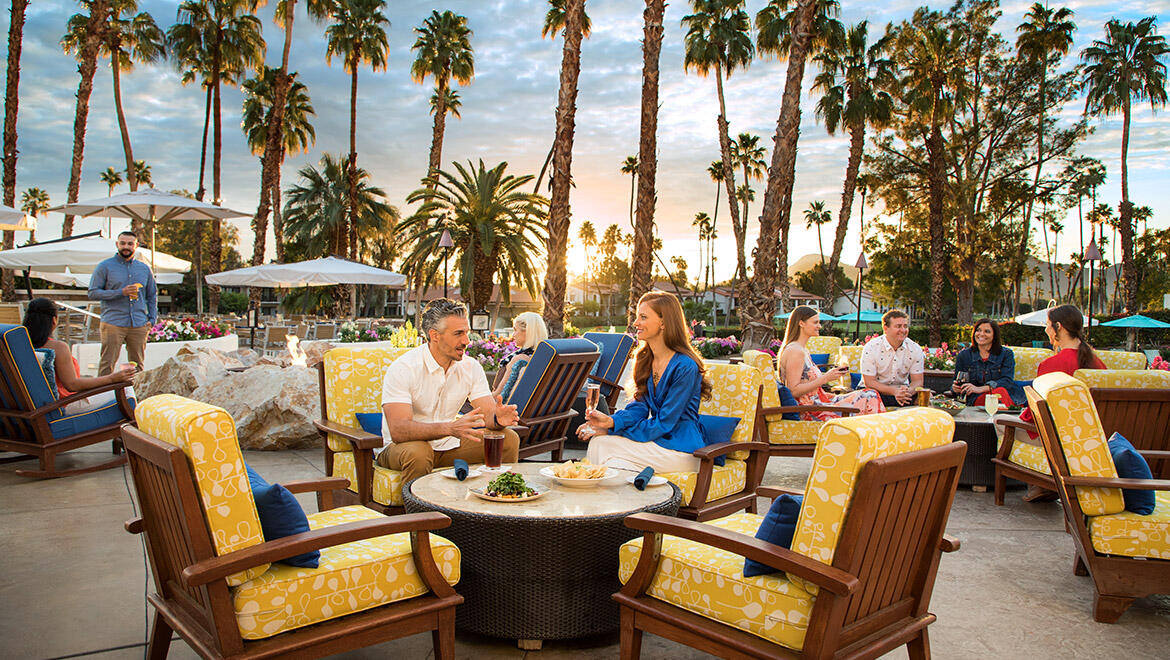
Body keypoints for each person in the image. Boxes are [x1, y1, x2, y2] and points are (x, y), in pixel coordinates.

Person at [376, 298, 522, 484]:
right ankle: (418, 512)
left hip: (448, 446)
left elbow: (488, 415)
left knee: (508, 439)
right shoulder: (404, 368)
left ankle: (496, 504)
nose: (467, 341)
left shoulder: (470, 367)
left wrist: (497, 419)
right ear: (435, 335)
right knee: (419, 453)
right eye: (458, 334)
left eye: (467, 333)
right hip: (402, 448)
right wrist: (450, 428)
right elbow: (399, 430)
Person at [576, 291, 710, 473]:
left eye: (643, 317)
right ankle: (621, 497)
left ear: (664, 322)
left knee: (602, 445)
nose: (635, 323)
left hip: (682, 450)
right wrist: (610, 421)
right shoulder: (645, 359)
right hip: (656, 442)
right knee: (612, 462)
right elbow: (639, 407)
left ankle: (596, 494)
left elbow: (664, 423)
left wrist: (611, 429)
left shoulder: (685, 367)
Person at [1016, 304, 1106, 502]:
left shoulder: (1051, 365)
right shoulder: (1097, 364)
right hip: (1092, 442)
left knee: (1000, 424)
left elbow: (1036, 414)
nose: (1046, 330)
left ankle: (1041, 482)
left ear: (1059, 327)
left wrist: (1019, 416)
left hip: (1058, 441)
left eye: (1047, 325)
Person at [22, 298, 136, 415]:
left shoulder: (19, 346)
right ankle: (132, 430)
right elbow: (72, 385)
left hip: (34, 409)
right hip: (65, 405)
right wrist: (112, 379)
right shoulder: (57, 348)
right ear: (54, 320)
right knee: (126, 389)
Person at [778, 306, 884, 419]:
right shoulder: (795, 351)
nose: (819, 326)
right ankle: (877, 435)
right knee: (869, 396)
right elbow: (793, 390)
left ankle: (871, 434)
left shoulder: (802, 350)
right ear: (801, 323)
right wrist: (826, 378)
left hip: (819, 402)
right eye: (815, 322)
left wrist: (832, 383)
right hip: (810, 410)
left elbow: (808, 386)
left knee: (869, 394)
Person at [88, 231, 157, 376]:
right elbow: (93, 292)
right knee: (107, 364)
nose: (126, 246)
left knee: (137, 366)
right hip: (113, 322)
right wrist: (121, 292)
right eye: (123, 243)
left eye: (130, 244)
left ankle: (134, 395)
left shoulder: (144, 269)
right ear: (117, 244)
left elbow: (151, 295)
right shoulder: (104, 266)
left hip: (138, 323)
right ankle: (102, 397)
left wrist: (152, 319)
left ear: (136, 245)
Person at [859, 309, 925, 407]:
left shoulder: (915, 349)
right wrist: (894, 392)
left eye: (905, 326)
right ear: (885, 328)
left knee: (927, 396)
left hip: (903, 393)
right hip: (874, 392)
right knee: (869, 396)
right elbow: (869, 382)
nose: (903, 330)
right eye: (898, 326)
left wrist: (907, 393)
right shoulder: (872, 347)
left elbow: (918, 381)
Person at [952, 319, 1025, 406]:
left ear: (994, 335)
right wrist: (955, 389)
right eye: (978, 330)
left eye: (987, 331)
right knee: (996, 395)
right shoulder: (964, 355)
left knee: (999, 392)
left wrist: (980, 389)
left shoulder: (1006, 354)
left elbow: (1007, 381)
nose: (981, 334)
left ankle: (1004, 416)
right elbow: (956, 382)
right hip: (976, 398)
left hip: (1003, 395)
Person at [492, 311, 548, 401]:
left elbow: (498, 395)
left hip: (503, 410)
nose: (513, 335)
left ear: (528, 332)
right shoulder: (542, 358)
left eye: (515, 330)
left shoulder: (520, 359)